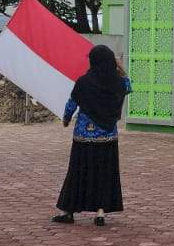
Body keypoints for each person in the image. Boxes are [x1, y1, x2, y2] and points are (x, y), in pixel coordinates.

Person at [53, 45, 131, 227]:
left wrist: (65, 119)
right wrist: (119, 67)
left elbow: (72, 103)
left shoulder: (83, 82)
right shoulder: (119, 83)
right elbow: (127, 82)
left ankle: (68, 211)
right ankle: (100, 213)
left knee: (78, 173)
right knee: (104, 174)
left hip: (83, 137)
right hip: (108, 137)